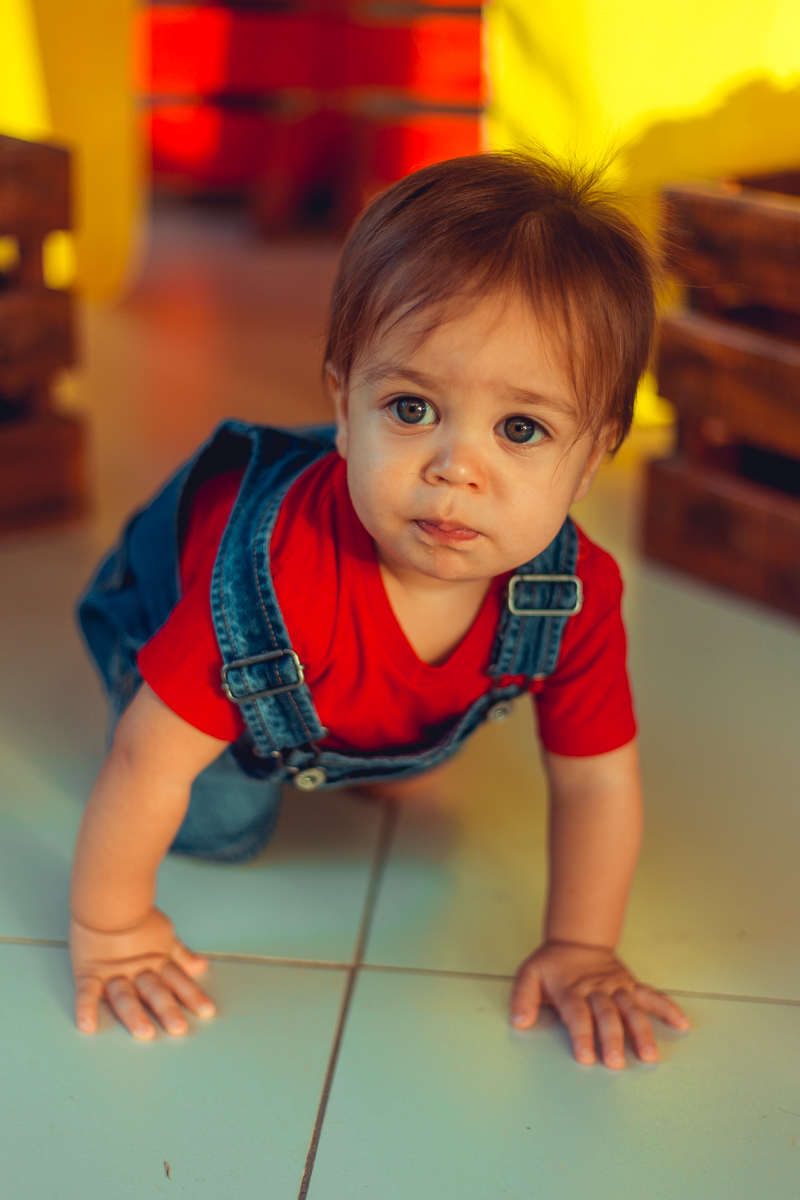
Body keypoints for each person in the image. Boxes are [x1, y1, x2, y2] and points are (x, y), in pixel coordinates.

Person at [73, 151, 691, 1068]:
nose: (454, 467)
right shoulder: (285, 572)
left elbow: (596, 780)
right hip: (179, 617)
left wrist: (582, 946)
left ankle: (364, 733)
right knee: (220, 828)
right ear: (343, 400)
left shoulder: (572, 594)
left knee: (402, 747)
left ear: (594, 457)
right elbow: (145, 759)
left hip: (329, 670)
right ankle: (279, 724)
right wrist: (112, 928)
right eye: (410, 408)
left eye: (521, 428)